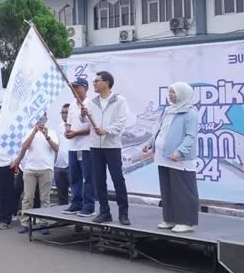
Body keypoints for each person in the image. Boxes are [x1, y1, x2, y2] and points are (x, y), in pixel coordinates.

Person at [142, 82, 199, 233]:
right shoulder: (169, 110)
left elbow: (190, 137)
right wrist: (150, 142)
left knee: (184, 190)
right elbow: (160, 130)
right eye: (170, 92)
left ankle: (187, 222)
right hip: (163, 156)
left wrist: (180, 152)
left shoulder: (190, 113)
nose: (170, 95)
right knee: (168, 189)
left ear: (182, 94)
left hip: (180, 159)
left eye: (174, 92)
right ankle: (171, 218)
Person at [80, 71, 131, 225]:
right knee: (99, 180)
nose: (94, 83)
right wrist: (83, 114)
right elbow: (84, 120)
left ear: (106, 83)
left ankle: (123, 213)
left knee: (117, 179)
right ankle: (104, 211)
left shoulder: (120, 101)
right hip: (95, 146)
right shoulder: (92, 102)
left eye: (97, 81)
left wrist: (106, 130)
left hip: (112, 145)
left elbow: (122, 122)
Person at [13, 113, 59, 234]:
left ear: (46, 119)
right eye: (37, 118)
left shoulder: (52, 132)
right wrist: (34, 132)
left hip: (46, 168)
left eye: (42, 118)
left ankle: (44, 223)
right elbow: (25, 146)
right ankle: (25, 222)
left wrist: (47, 136)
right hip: (30, 168)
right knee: (28, 197)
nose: (40, 120)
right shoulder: (28, 131)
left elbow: (56, 149)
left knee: (45, 198)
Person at [62, 80, 95, 218]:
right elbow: (68, 124)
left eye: (78, 88)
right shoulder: (72, 107)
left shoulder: (91, 104)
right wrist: (68, 131)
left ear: (85, 89)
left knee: (88, 178)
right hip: (73, 147)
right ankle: (76, 203)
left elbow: (93, 126)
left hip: (86, 147)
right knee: (75, 177)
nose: (75, 90)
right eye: (73, 88)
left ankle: (89, 206)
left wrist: (76, 133)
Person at [54, 104, 71, 206]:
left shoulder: (77, 126)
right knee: (61, 194)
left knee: (76, 192)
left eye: (66, 112)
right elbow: (56, 145)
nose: (64, 115)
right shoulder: (59, 127)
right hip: (59, 165)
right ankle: (62, 219)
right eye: (62, 113)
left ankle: (78, 219)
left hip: (71, 164)